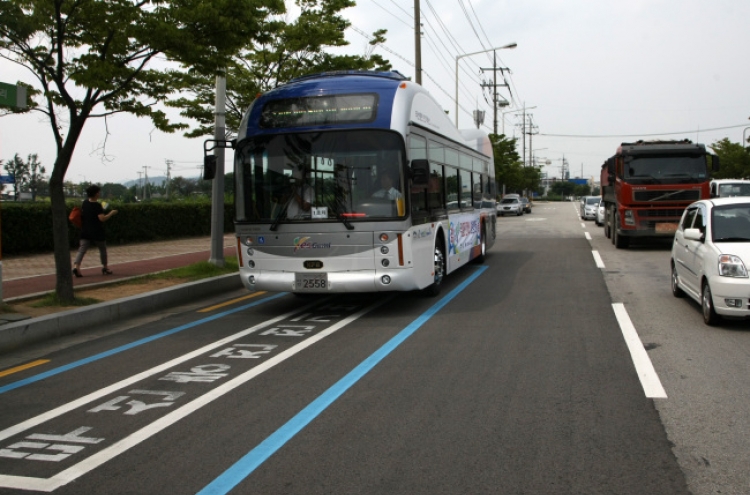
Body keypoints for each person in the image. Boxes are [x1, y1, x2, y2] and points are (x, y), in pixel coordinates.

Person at [72, 185, 118, 277]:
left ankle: (76, 266)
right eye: (98, 192)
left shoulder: (85, 203)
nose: (99, 193)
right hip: (97, 231)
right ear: (96, 193)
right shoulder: (97, 205)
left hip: (85, 230)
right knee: (102, 249)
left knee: (82, 249)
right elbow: (102, 218)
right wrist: (111, 213)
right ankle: (105, 267)